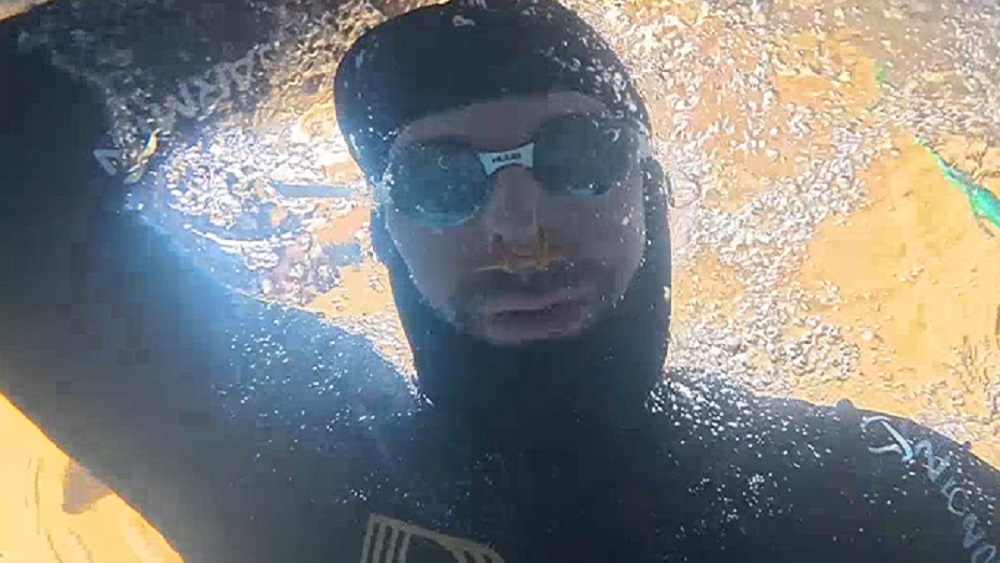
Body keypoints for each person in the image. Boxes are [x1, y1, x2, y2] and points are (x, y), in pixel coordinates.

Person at [1, 0, 999, 562]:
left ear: (649, 198)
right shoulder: (278, 442)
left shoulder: (879, 483)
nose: (518, 223)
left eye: (576, 156)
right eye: (440, 181)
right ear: (384, 233)